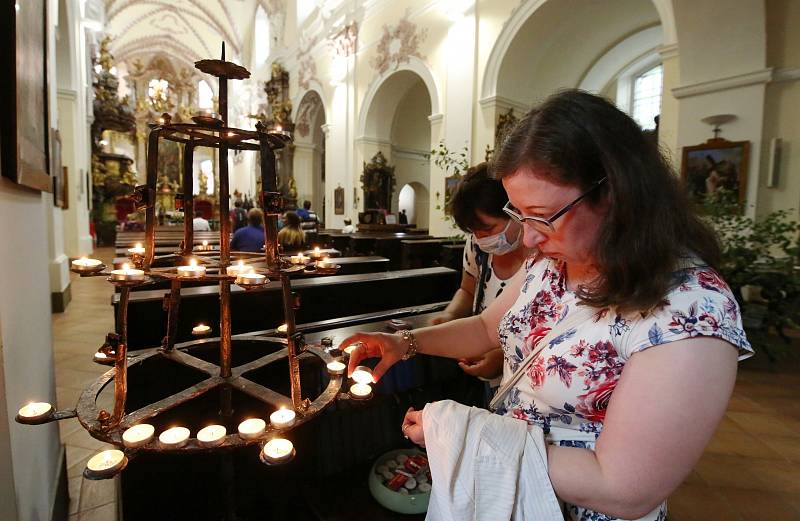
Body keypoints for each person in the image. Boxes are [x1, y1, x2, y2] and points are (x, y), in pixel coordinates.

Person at [342, 90, 752, 521]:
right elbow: (486, 328)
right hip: (508, 485)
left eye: (541, 214)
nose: (529, 238)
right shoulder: (552, 261)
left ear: (614, 194)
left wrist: (460, 434)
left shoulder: (691, 311)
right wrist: (402, 342)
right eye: (518, 214)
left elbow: (622, 489)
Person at [432, 163, 532, 382]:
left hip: (525, 375)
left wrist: (502, 357)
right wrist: (451, 315)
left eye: (488, 229)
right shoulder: (478, 246)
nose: (480, 238)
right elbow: (467, 290)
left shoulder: (543, 253)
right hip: (482, 359)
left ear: (515, 211)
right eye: (473, 231)